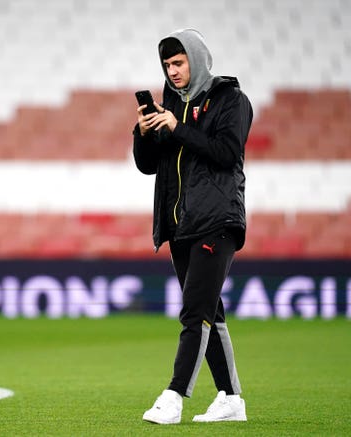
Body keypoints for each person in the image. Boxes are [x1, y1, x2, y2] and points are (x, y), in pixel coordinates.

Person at [132, 28, 253, 425]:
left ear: (196, 60)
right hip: (180, 225)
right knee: (210, 313)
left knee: (194, 312)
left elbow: (226, 152)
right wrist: (144, 133)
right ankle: (231, 399)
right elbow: (148, 165)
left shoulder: (230, 100)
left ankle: (174, 395)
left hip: (217, 221)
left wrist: (178, 128)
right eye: (167, 65)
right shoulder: (170, 105)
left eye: (179, 62)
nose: (173, 70)